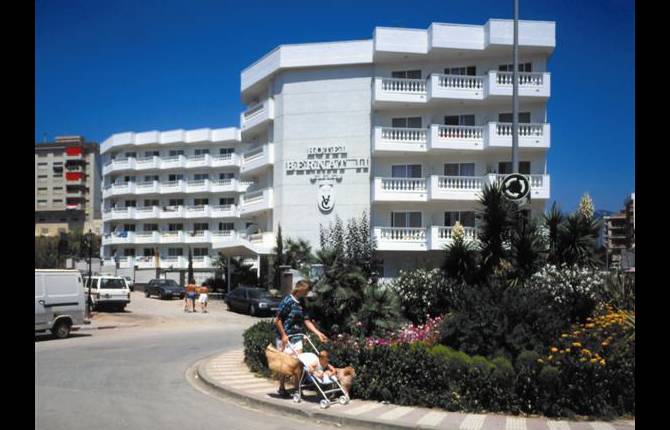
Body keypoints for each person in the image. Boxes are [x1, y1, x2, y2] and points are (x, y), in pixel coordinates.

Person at [274, 280, 328, 398]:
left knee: (298, 363)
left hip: (297, 336)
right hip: (285, 337)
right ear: (300, 289)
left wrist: (318, 333)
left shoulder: (302, 303)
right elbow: (277, 320)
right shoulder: (288, 300)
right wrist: (283, 335)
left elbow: (306, 320)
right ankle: (282, 388)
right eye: (306, 290)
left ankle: (297, 388)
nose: (307, 293)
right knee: (285, 364)